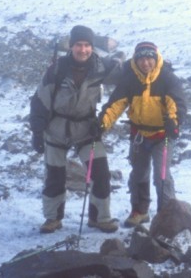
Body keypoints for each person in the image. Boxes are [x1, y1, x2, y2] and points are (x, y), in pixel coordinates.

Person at [29, 24, 124, 234]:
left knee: (100, 173)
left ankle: (99, 218)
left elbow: (126, 77)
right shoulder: (56, 69)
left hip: (87, 129)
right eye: (79, 45)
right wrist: (37, 132)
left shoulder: (101, 67)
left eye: (87, 45)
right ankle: (52, 219)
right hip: (55, 129)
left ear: (92, 47)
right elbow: (40, 101)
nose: (83, 50)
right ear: (71, 47)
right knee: (54, 175)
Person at [99, 41, 187, 227]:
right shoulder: (130, 80)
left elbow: (176, 104)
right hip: (139, 135)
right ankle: (139, 211)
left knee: (161, 176)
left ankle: (165, 216)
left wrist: (174, 121)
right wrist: (101, 125)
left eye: (149, 58)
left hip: (163, 136)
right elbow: (115, 106)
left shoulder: (167, 78)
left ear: (155, 58)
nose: (145, 63)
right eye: (141, 59)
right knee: (138, 174)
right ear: (136, 61)